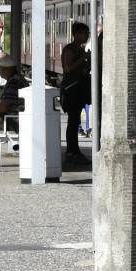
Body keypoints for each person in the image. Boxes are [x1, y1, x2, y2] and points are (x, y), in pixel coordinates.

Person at [58, 21, 91, 166]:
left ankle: (75, 150)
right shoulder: (70, 49)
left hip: (78, 89)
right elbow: (67, 68)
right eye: (85, 33)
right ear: (76, 34)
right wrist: (83, 59)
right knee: (72, 121)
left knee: (75, 120)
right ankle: (72, 151)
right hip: (71, 89)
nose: (88, 36)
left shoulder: (80, 49)